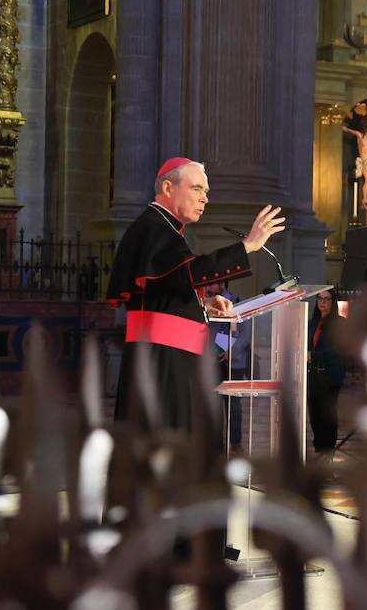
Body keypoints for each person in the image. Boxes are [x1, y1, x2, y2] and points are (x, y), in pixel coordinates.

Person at [106, 158, 284, 432]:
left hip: (168, 358)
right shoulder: (153, 227)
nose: (205, 199)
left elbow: (166, 286)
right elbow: (190, 270)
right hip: (160, 361)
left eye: (206, 192)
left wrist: (204, 304)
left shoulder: (163, 229)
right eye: (197, 189)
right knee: (164, 442)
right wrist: (246, 246)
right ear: (168, 187)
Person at [205, 280, 250, 450]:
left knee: (234, 406)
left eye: (211, 284)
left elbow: (246, 334)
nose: (207, 287)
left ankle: (236, 444)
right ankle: (216, 444)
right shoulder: (207, 305)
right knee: (213, 404)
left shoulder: (239, 302)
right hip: (213, 362)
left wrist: (232, 351)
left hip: (234, 362)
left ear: (222, 284)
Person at [307, 289, 347, 453]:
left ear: (333, 302)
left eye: (327, 299)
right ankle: (319, 450)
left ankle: (328, 453)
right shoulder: (312, 322)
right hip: (313, 375)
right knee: (315, 415)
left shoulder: (339, 323)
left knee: (328, 416)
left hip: (330, 376)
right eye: (320, 298)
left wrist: (314, 356)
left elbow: (339, 349)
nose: (322, 302)